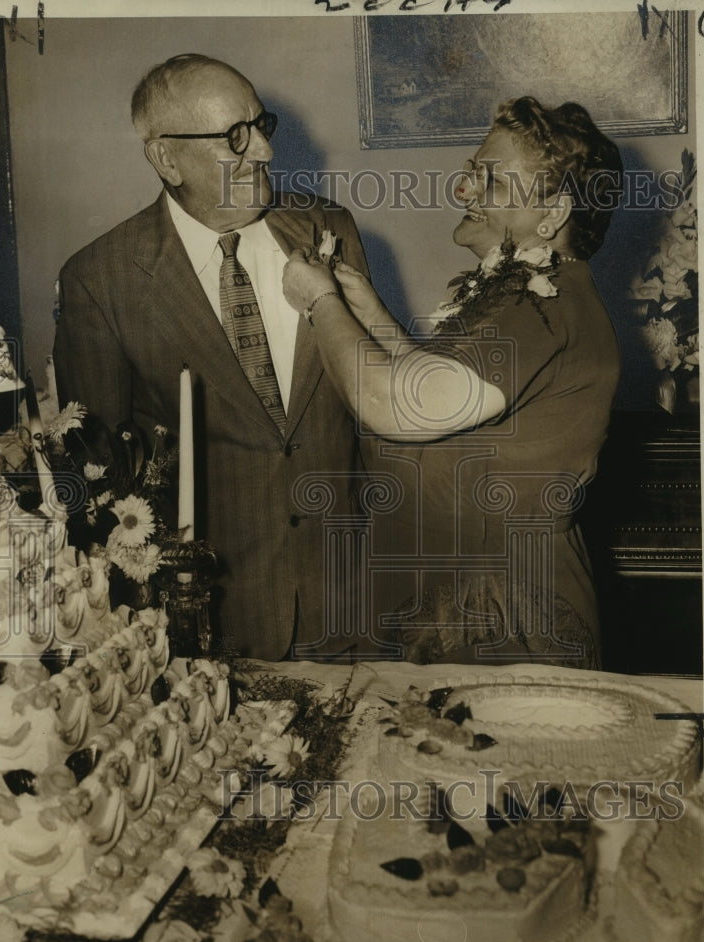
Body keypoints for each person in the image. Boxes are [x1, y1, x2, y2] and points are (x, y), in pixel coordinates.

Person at [282, 97, 623, 669]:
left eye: (489, 178)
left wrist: (319, 302)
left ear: (554, 210)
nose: (464, 191)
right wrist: (373, 317)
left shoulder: (539, 304)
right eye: (472, 172)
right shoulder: (520, 290)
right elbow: (450, 396)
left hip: (497, 620)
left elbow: (397, 407)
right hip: (458, 607)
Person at [53, 54, 371, 661]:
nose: (266, 154)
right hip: (212, 622)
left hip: (352, 597)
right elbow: (103, 487)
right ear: (166, 159)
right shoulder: (99, 280)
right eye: (234, 137)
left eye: (261, 126)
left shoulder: (328, 229)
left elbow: (370, 411)